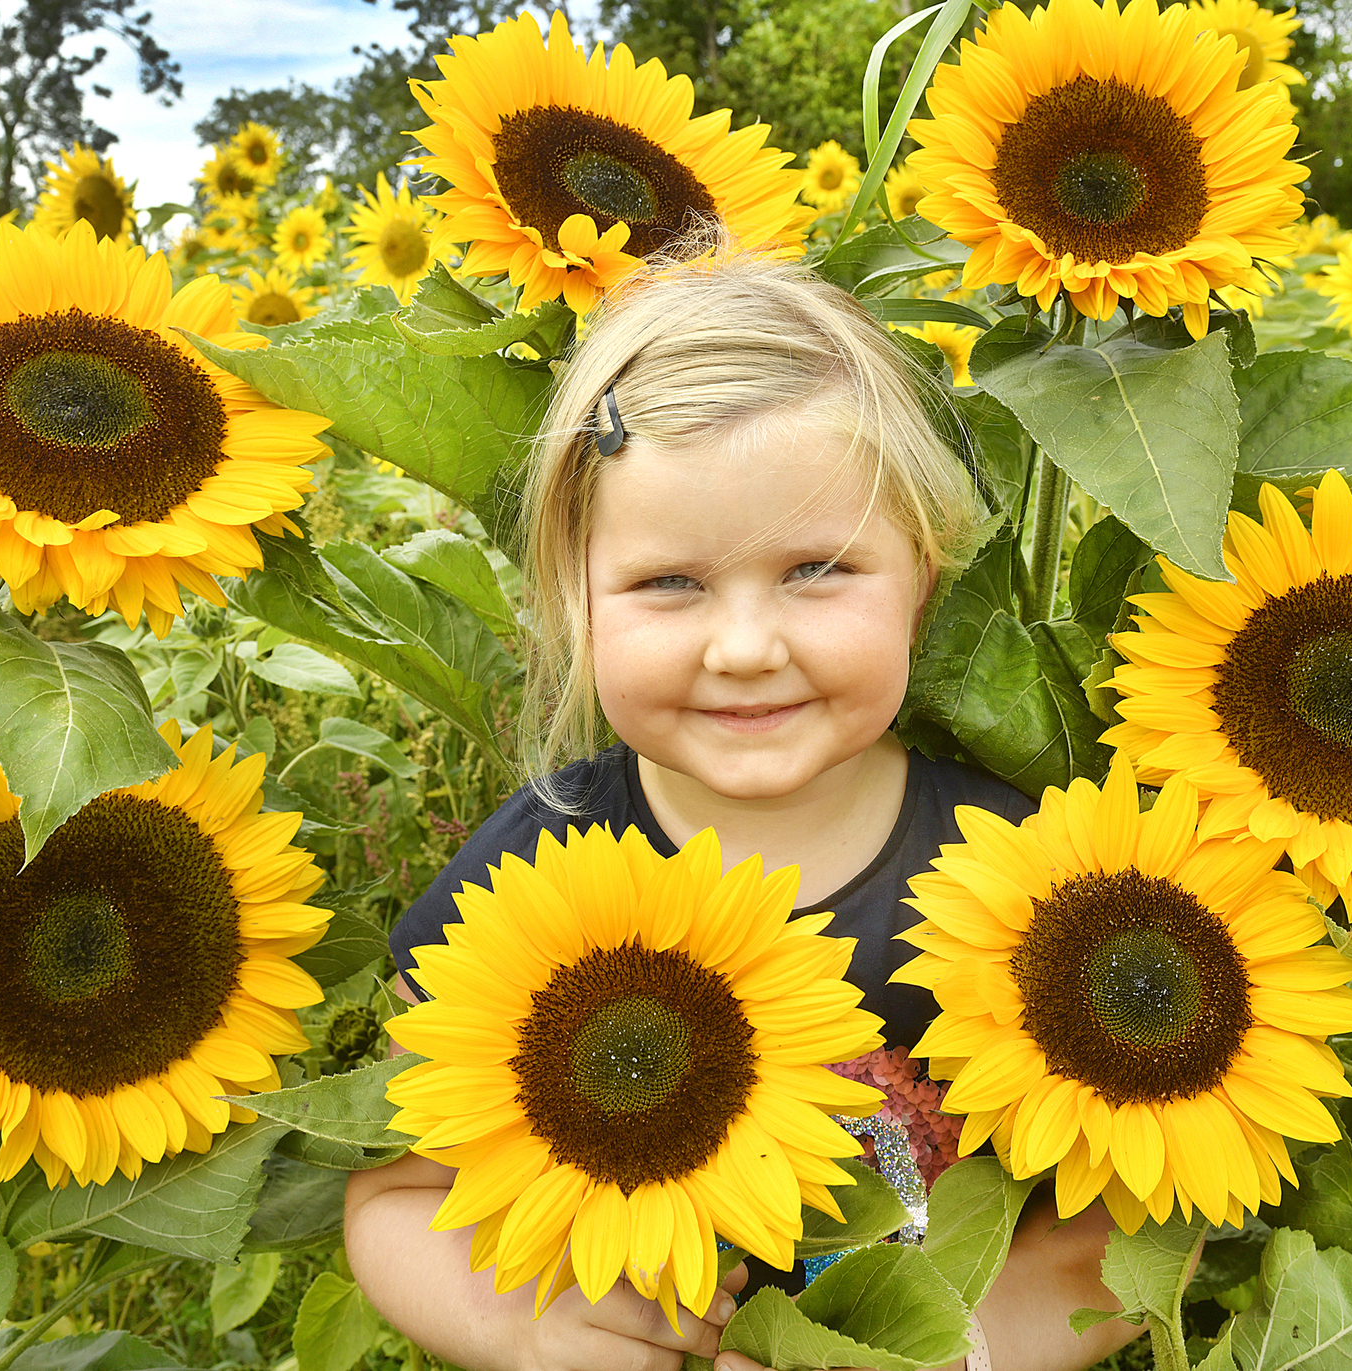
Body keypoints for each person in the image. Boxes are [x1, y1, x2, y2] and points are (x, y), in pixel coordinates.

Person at [343, 243, 1145, 1371]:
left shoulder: (1026, 871)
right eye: (668, 583)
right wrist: (513, 1326)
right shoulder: (524, 882)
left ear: (921, 572)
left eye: (817, 569)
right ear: (573, 601)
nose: (746, 648)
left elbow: (1119, 1226)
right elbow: (393, 1192)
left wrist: (960, 1352)